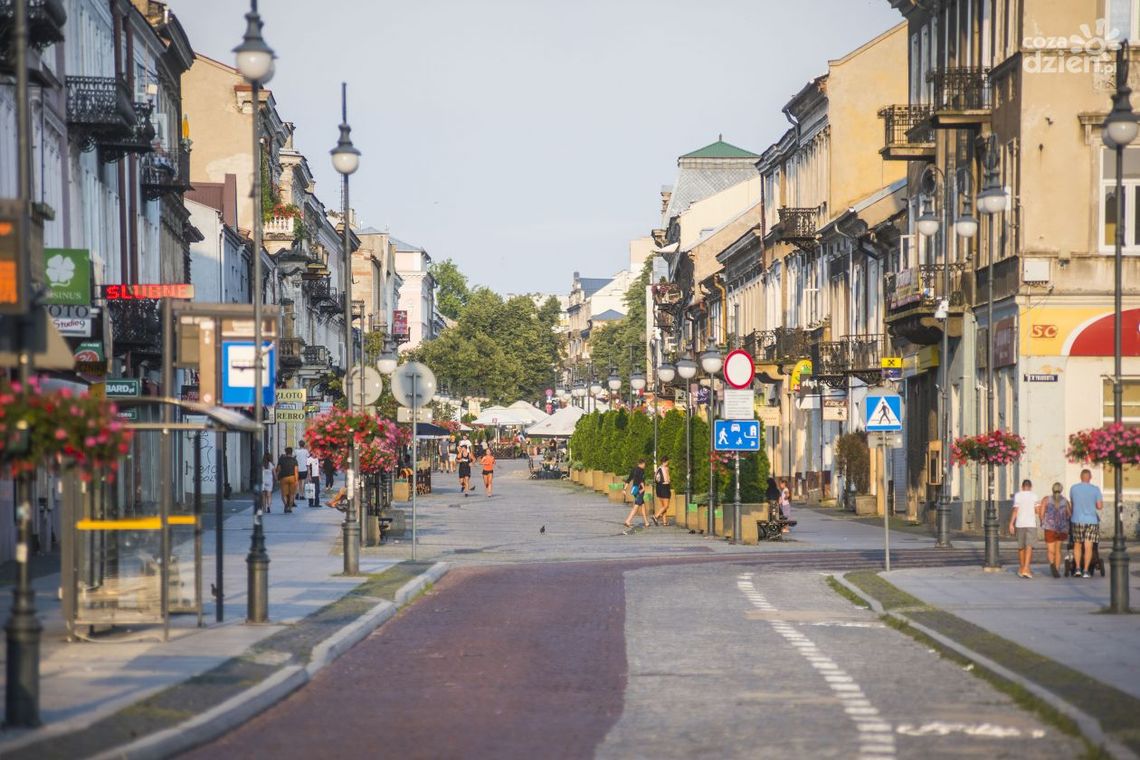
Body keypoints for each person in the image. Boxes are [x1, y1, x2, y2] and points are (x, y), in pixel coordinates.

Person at [1069, 469, 1103, 578]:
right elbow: (1099, 506)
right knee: (1089, 546)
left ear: (1080, 477)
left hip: (1077, 519)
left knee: (1077, 544)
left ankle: (1077, 568)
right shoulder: (1095, 489)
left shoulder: (1073, 488)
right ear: (1090, 477)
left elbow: (1072, 505)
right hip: (1091, 521)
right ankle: (1086, 571)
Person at [1038, 482, 1071, 578]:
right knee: (1058, 550)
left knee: (1050, 550)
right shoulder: (1065, 501)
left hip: (1049, 528)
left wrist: (1042, 521)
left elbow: (1041, 512)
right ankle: (1056, 569)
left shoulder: (1046, 499)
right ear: (1061, 490)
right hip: (1061, 528)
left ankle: (1052, 564)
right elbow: (1069, 514)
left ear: (1052, 489)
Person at [1009, 478, 1039, 579]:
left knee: (1021, 546)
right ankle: (1026, 568)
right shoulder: (1034, 496)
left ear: (1022, 487)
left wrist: (1011, 524)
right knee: (1029, 546)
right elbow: (1037, 510)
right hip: (1031, 523)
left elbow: (1015, 510)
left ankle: (1022, 568)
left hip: (1020, 523)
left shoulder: (1018, 495)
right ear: (1030, 487)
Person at [623, 458, 650, 531]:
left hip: (635, 489)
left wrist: (624, 489)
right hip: (640, 490)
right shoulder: (641, 470)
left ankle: (646, 522)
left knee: (642, 504)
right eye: (644, 464)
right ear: (642, 464)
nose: (645, 466)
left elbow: (628, 479)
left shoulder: (634, 469)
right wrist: (643, 488)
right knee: (636, 506)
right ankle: (628, 521)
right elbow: (641, 480)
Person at [275, 447, 299, 513]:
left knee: (284, 494)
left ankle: (286, 505)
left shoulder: (281, 460)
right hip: (292, 477)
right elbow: (296, 471)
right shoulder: (294, 460)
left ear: (285, 452)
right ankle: (290, 508)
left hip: (283, 478)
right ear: (291, 452)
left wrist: (276, 477)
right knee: (291, 494)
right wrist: (296, 480)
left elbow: (279, 469)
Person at [653, 456, 672, 526]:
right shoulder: (666, 468)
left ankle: (664, 522)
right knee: (666, 505)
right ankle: (655, 516)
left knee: (663, 505)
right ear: (666, 461)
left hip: (659, 487)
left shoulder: (658, 468)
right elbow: (668, 479)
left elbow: (655, 478)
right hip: (665, 487)